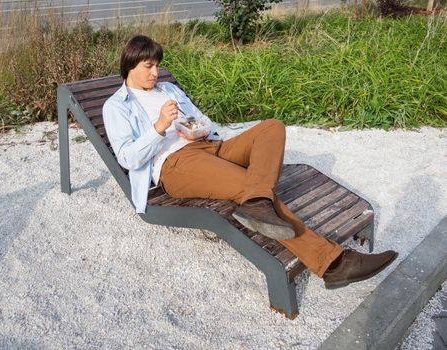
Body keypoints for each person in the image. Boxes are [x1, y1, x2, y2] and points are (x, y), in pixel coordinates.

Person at [103, 35, 398, 289]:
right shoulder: (117, 106)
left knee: (272, 128)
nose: (156, 72)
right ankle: (333, 264)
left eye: (157, 65)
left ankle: (258, 204)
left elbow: (201, 118)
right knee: (250, 185)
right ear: (130, 65)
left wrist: (201, 128)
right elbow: (128, 158)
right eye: (149, 66)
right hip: (176, 165)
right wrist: (158, 127)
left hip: (209, 145)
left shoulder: (168, 89)